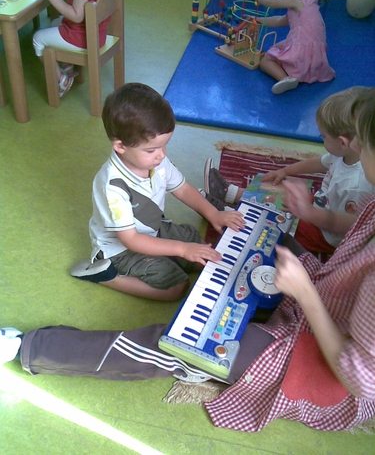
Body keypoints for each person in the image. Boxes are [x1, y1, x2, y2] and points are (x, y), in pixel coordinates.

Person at [2, 87, 375, 432]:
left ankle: (28, 348)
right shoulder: (113, 180)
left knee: (177, 342)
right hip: (323, 304)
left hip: (325, 366)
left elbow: (361, 378)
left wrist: (306, 293)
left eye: (363, 144)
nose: (355, 150)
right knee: (239, 254)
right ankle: (109, 277)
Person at [70, 83, 245, 301]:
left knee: (195, 242)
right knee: (176, 287)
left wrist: (213, 214)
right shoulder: (112, 186)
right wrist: (181, 250)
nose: (161, 155)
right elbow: (131, 240)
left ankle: (177, 252)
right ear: (120, 146)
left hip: (149, 229)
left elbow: (182, 189)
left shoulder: (155, 161)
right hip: (120, 249)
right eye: (152, 149)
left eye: (165, 146)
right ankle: (105, 276)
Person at [202, 87, 375, 256]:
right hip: (321, 204)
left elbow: (351, 227)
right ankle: (232, 194)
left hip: (324, 234)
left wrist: (310, 213)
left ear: (343, 143)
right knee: (284, 193)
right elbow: (319, 162)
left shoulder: (358, 186)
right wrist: (285, 171)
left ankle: (231, 215)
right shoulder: (344, 154)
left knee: (273, 225)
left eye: (323, 136)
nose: (321, 139)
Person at [252, 0, 337, 94]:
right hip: (316, 56)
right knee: (285, 44)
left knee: (265, 61)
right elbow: (279, 20)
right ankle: (301, 72)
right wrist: (259, 20)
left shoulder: (299, 0)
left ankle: (285, 78)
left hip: (301, 52)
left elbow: (272, 1)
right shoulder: (311, 4)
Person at [32, 0, 115, 98]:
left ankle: (61, 80)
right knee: (54, 23)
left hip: (81, 38)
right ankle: (67, 66)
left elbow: (76, 16)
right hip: (98, 32)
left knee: (38, 38)